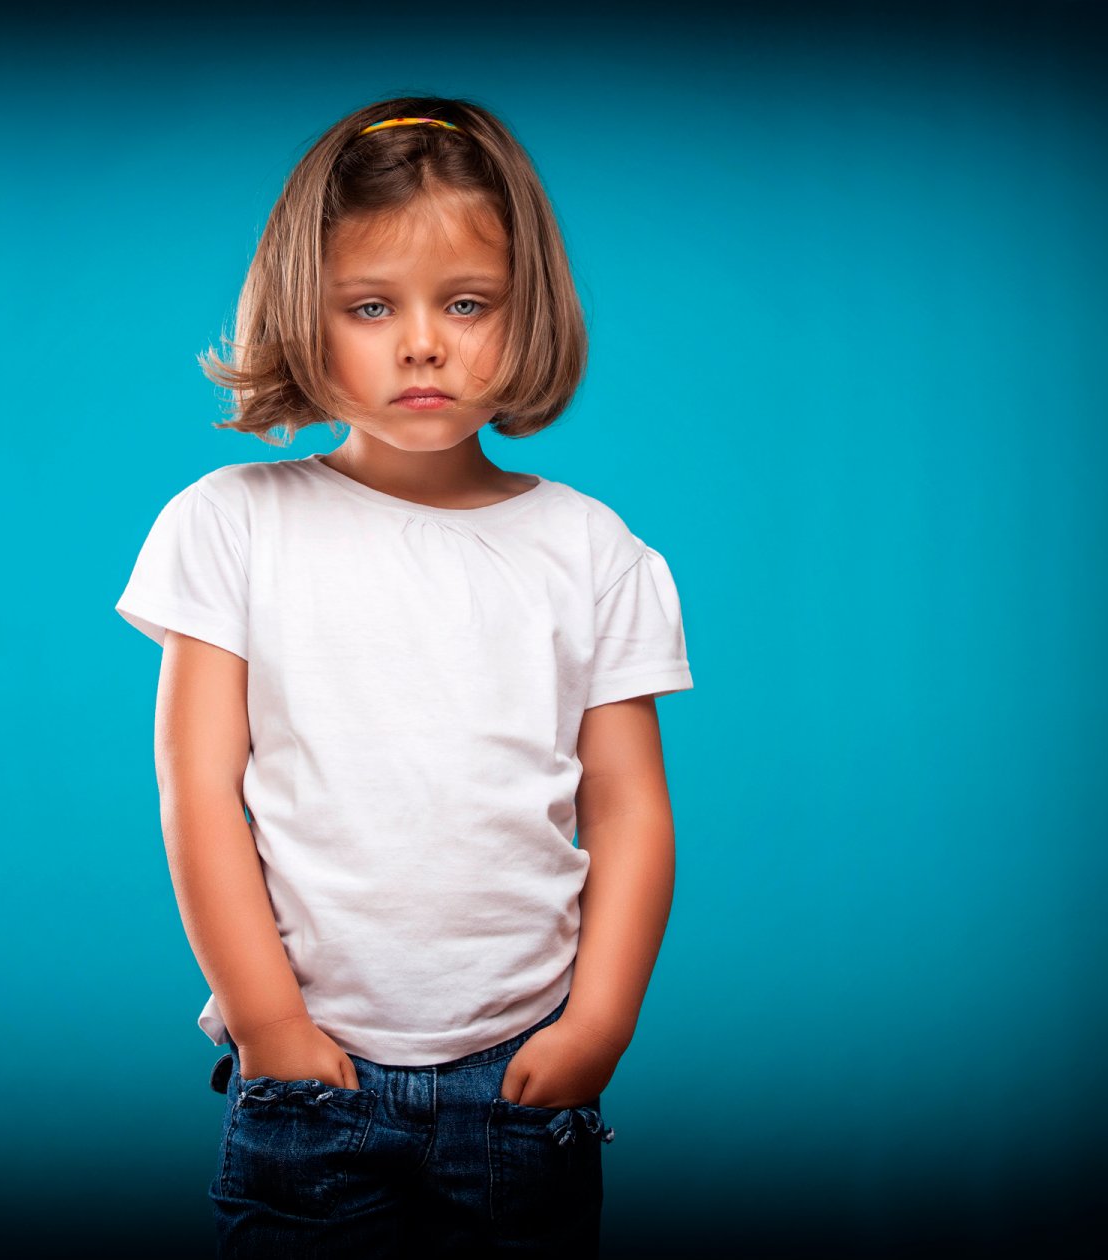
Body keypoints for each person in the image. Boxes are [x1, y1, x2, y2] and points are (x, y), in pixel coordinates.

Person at [115, 94, 694, 1258]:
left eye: (466, 304)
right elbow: (198, 793)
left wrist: (600, 1027)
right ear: (303, 316)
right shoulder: (228, 527)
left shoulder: (595, 551)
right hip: (308, 1079)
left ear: (523, 315)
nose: (422, 342)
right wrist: (273, 1023)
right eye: (370, 307)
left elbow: (628, 807)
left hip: (521, 1077)